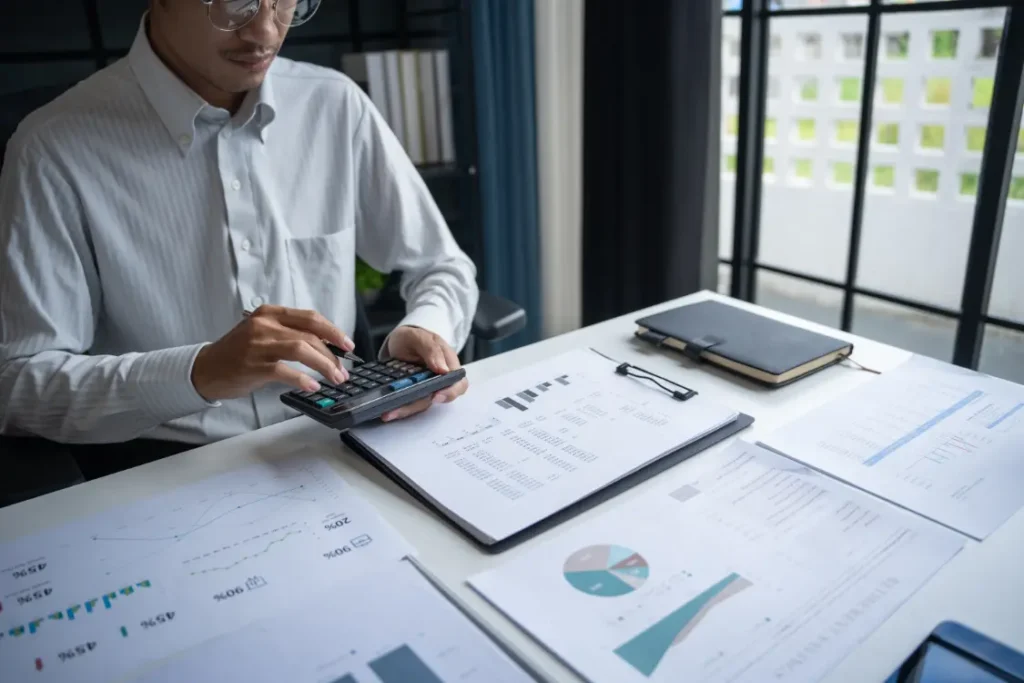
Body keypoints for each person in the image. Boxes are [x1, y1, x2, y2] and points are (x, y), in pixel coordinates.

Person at [0, 0, 477, 449]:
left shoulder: (334, 104)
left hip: (337, 441)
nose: (266, 32)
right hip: (163, 466)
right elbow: (18, 384)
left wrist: (425, 329)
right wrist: (196, 373)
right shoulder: (53, 149)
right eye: (235, 3)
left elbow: (442, 266)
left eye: (285, 2)